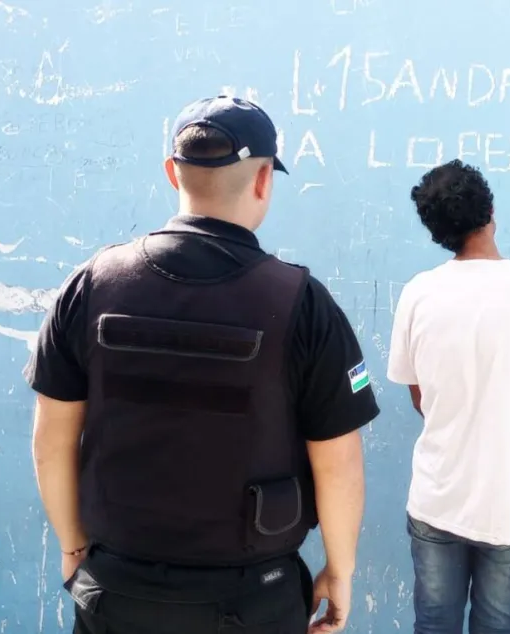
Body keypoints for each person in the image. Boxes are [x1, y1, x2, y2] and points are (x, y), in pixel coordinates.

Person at [24, 95, 380, 634]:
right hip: (253, 600)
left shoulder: (91, 285)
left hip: (115, 591)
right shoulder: (302, 304)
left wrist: (73, 547)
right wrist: (341, 570)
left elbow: (51, 442)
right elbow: (339, 463)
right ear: (264, 180)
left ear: (173, 174)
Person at [386, 159, 510, 634]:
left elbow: (420, 396)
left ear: (437, 231)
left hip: (438, 497)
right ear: (490, 210)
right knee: (498, 624)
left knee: (434, 623)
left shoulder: (419, 293)